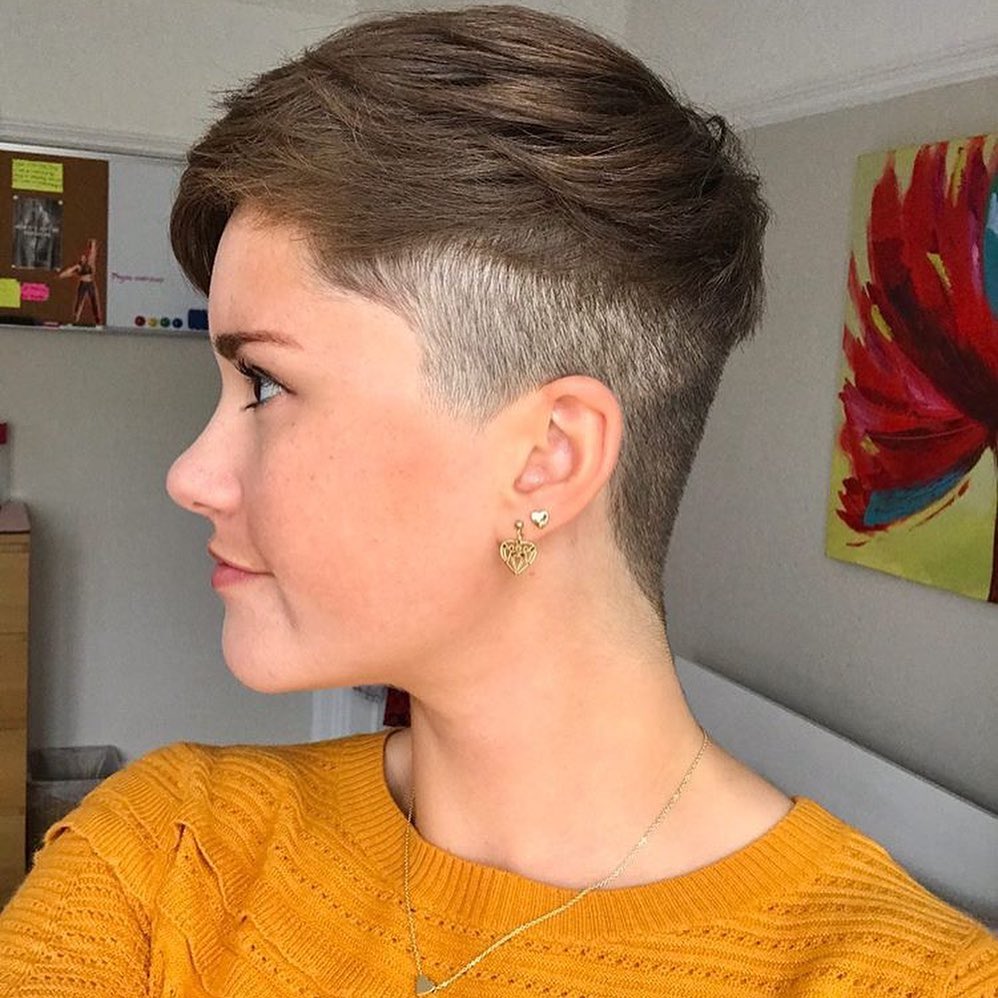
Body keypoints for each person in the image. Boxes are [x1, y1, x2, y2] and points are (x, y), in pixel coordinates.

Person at [1, 5, 995, 996]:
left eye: (264, 385)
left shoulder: (911, 982)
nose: (190, 474)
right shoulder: (167, 854)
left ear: (545, 462)